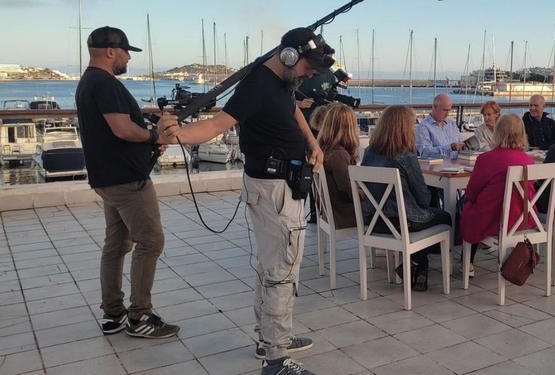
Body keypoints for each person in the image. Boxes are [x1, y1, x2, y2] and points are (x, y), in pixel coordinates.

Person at [160, 27, 332, 375]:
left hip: (284, 186)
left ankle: (269, 338)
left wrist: (312, 143)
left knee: (273, 265)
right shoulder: (257, 84)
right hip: (274, 189)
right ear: (287, 55)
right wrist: (176, 134)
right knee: (281, 270)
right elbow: (217, 125)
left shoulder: (281, 82)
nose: (312, 72)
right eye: (309, 66)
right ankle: (276, 358)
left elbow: (293, 110)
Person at [76, 26, 179, 339]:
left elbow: (116, 130)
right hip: (126, 180)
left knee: (118, 243)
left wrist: (149, 139)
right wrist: (154, 136)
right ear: (110, 51)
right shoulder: (105, 83)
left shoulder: (89, 82)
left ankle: (113, 313)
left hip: (107, 177)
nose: (128, 58)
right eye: (126, 52)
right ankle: (140, 316)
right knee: (151, 241)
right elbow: (121, 129)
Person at [361, 105, 451, 291]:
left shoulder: (369, 152)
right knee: (445, 216)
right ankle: (419, 262)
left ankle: (417, 262)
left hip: (373, 220)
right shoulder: (405, 156)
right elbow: (423, 200)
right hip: (402, 223)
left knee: (427, 213)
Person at [460, 114, 536, 276]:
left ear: (498, 132)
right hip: (522, 218)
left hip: (494, 220)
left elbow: (472, 193)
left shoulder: (486, 159)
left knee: (464, 206)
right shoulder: (528, 160)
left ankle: (467, 262)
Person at [316, 104, 359, 229]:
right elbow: (348, 190)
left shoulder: (323, 150)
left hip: (328, 213)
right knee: (391, 210)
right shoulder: (338, 155)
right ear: (349, 128)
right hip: (343, 216)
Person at [416, 93, 464, 158]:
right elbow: (425, 152)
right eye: (444, 110)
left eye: (449, 110)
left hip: (457, 165)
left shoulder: (451, 123)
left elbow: (460, 144)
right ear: (434, 107)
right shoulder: (424, 127)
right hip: (438, 166)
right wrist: (450, 148)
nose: (447, 114)